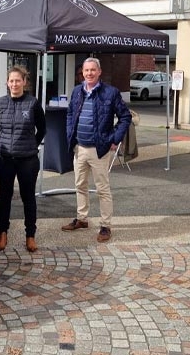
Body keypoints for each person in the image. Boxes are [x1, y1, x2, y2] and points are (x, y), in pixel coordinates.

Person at [62, 57, 132, 243]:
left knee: (102, 189)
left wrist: (115, 139)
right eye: (86, 70)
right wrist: (71, 134)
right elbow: (70, 114)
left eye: (93, 70)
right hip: (80, 148)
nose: (89, 73)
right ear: (82, 73)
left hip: (99, 150)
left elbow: (125, 117)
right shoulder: (77, 91)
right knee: (80, 185)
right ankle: (82, 219)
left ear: (99, 72)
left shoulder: (111, 92)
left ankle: (105, 226)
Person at [0, 66, 46, 253]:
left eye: (18, 80)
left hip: (27, 160)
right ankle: (2, 233)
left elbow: (42, 129)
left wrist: (31, 145)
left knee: (28, 197)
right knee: (4, 197)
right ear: (7, 83)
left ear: (24, 82)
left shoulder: (33, 103)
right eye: (11, 81)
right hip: (4, 159)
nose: (14, 84)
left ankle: (30, 236)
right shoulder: (0, 103)